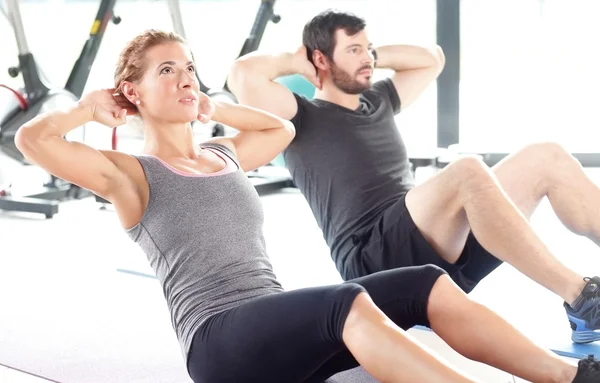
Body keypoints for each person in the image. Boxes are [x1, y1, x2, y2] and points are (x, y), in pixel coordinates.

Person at [14, 29, 599, 383]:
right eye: (167, 71)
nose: (186, 78)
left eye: (190, 67)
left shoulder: (224, 155)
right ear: (132, 91)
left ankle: (572, 377)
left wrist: (210, 109)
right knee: (347, 302)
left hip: (276, 328)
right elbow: (32, 142)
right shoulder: (129, 176)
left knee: (423, 282)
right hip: (219, 344)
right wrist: (89, 110)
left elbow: (278, 130)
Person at [227, 9, 600, 345]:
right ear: (320, 59)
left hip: (434, 244)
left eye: (367, 49)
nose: (367, 59)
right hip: (374, 259)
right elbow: (243, 75)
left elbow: (431, 59)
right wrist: (297, 60)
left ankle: (584, 308)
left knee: (545, 155)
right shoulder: (300, 116)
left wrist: (367, 53)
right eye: (353, 50)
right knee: (466, 170)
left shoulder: (380, 100)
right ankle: (580, 297)